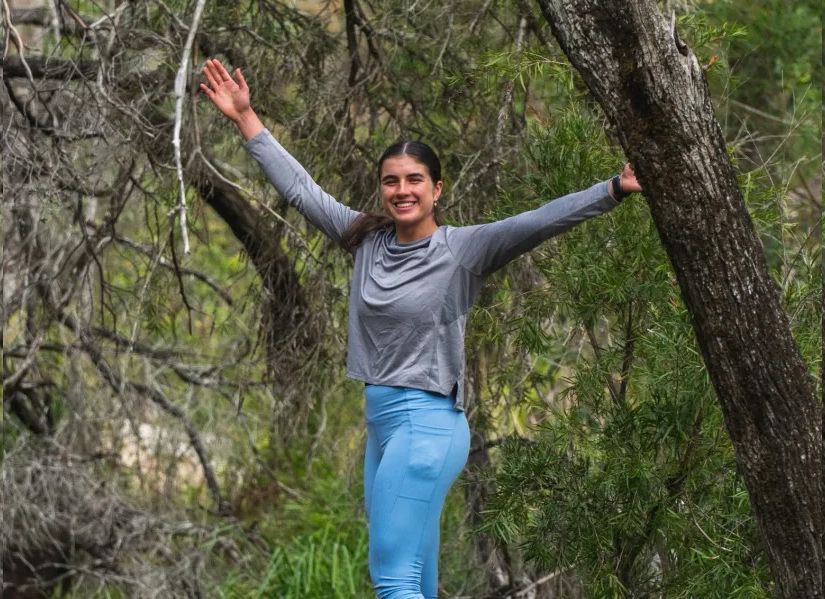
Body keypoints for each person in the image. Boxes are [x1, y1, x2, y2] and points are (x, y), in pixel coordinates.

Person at [200, 58, 641, 599]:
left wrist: (614, 188)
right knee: (415, 579)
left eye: (414, 180)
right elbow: (301, 190)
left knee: (393, 580)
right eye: (391, 181)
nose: (402, 190)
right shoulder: (364, 238)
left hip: (427, 424)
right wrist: (246, 118)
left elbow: (539, 220)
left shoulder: (463, 250)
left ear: (437, 189)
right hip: (384, 429)